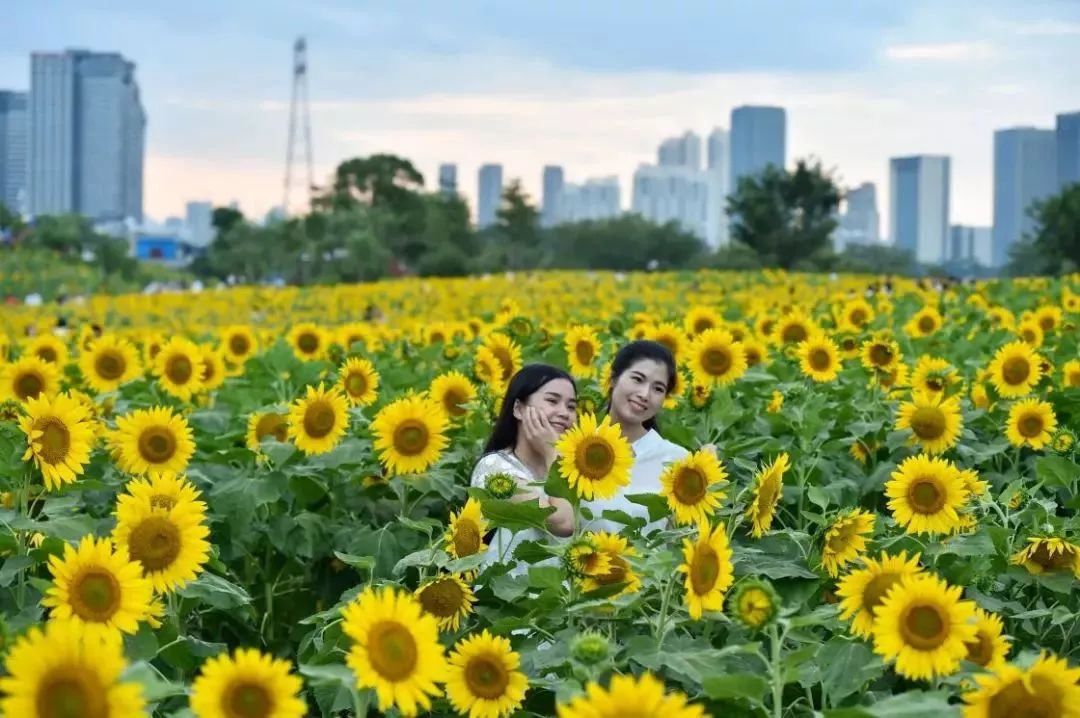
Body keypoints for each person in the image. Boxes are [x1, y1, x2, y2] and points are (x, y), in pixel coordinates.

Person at [470, 364, 578, 567]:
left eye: (571, 406)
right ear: (519, 409)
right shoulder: (495, 468)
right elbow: (563, 523)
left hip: (561, 597)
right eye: (552, 401)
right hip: (508, 596)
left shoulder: (572, 470)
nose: (564, 413)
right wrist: (551, 450)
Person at [581, 340, 691, 534]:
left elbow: (679, 540)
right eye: (638, 379)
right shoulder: (576, 449)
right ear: (613, 379)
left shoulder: (677, 461)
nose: (644, 394)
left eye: (658, 389)